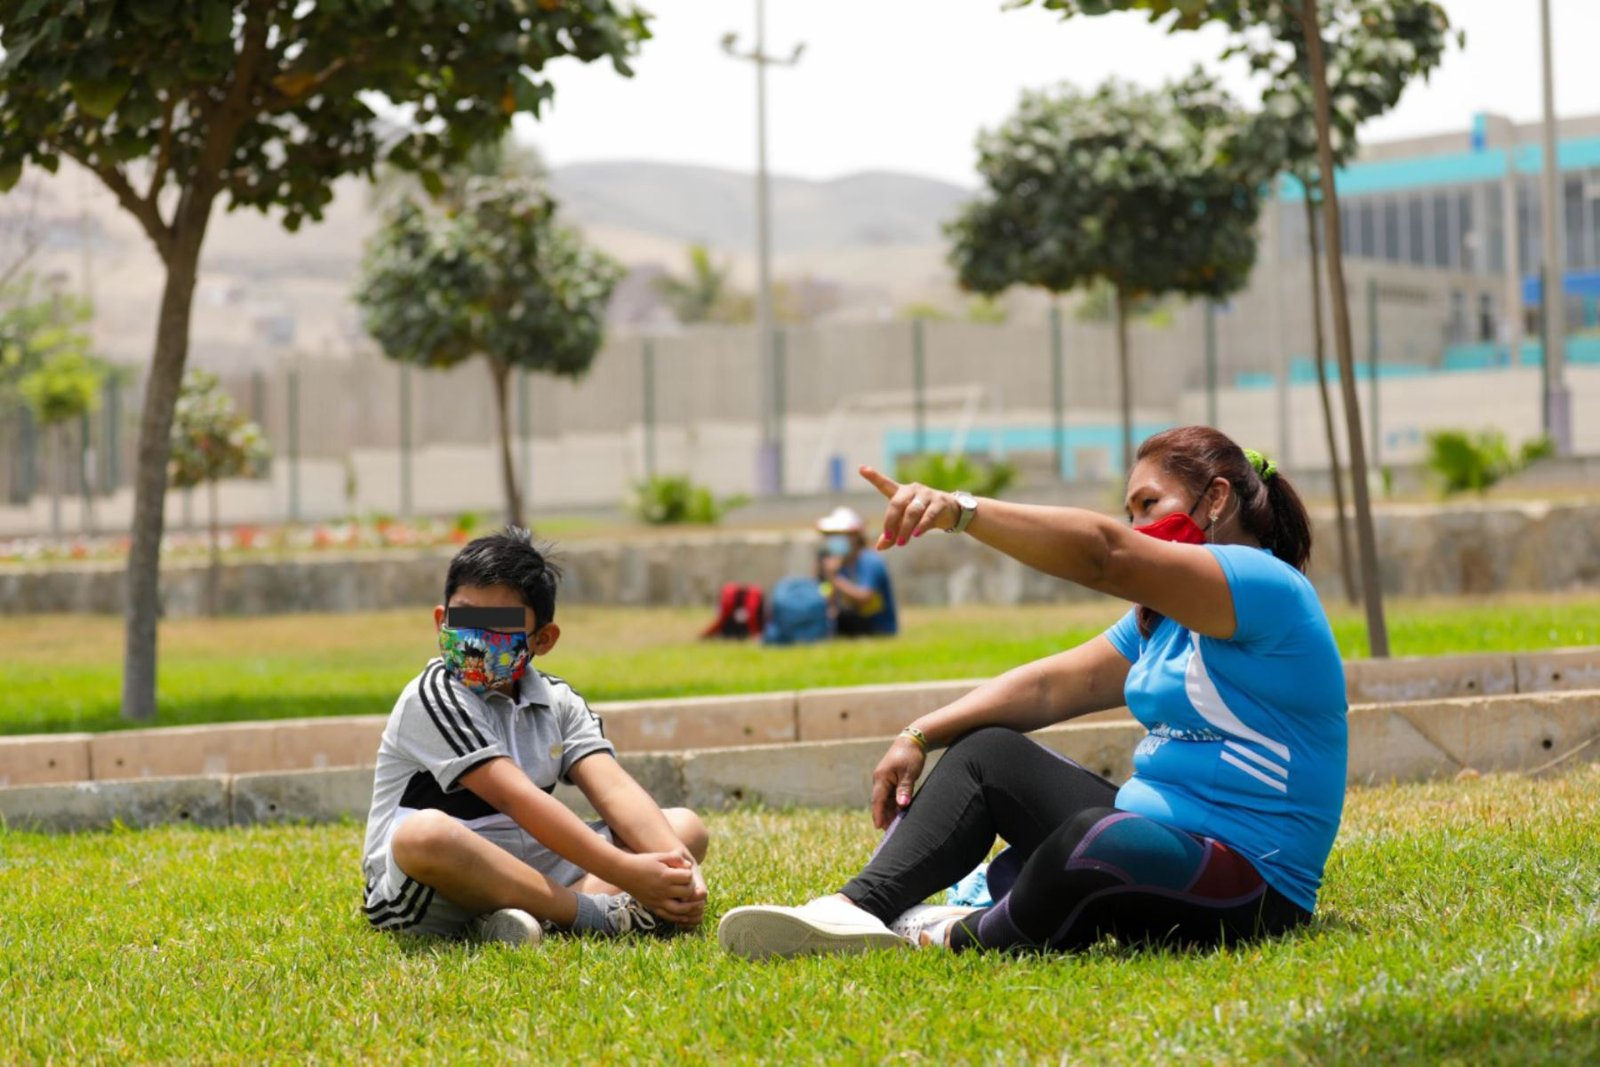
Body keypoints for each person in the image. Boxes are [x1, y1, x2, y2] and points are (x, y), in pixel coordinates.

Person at [718, 426, 1345, 959]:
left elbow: (1105, 556)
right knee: (991, 754)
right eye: (1130, 512)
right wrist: (919, 733)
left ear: (1216, 499)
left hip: (1250, 884)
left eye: (1149, 505)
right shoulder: (1165, 616)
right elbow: (1051, 686)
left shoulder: (1266, 585)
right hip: (1155, 839)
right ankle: (854, 910)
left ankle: (954, 933)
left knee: (1095, 841)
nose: (1138, 525)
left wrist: (962, 511)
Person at [361, 527, 709, 947]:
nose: (476, 640)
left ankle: (519, 916)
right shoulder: (433, 695)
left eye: (498, 626)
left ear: (542, 639)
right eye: (465, 618)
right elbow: (516, 799)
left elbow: (613, 787)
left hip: (530, 862)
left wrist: (681, 870)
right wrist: (626, 872)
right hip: (433, 882)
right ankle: (591, 913)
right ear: (441, 620)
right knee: (426, 834)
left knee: (682, 828)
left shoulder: (557, 699)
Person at [815, 505, 898, 637]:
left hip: (877, 628)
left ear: (854, 536)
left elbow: (865, 597)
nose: (833, 540)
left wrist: (834, 578)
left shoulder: (870, 561)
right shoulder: (838, 564)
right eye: (830, 535)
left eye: (838, 534)